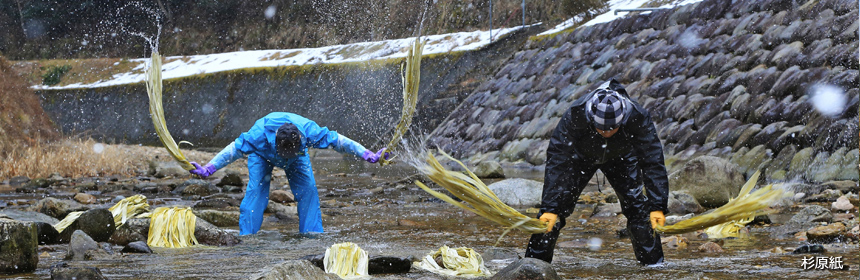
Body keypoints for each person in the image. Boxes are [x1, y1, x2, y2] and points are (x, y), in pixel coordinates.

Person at [525, 79, 669, 265]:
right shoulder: (576, 114)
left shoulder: (637, 116)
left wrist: (658, 205)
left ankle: (653, 267)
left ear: (622, 119)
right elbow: (558, 160)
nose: (606, 133)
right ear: (591, 118)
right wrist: (550, 208)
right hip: (580, 158)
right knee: (552, 216)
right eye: (601, 129)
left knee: (639, 211)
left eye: (612, 129)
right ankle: (533, 266)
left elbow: (652, 160)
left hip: (622, 158)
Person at [188, 112, 388, 235]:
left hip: (298, 159)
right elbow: (232, 151)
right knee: (256, 193)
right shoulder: (258, 136)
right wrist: (209, 168)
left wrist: (367, 154)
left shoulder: (309, 131)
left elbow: (339, 141)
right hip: (262, 156)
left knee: (308, 192)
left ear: (299, 139)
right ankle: (247, 239)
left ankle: (312, 237)